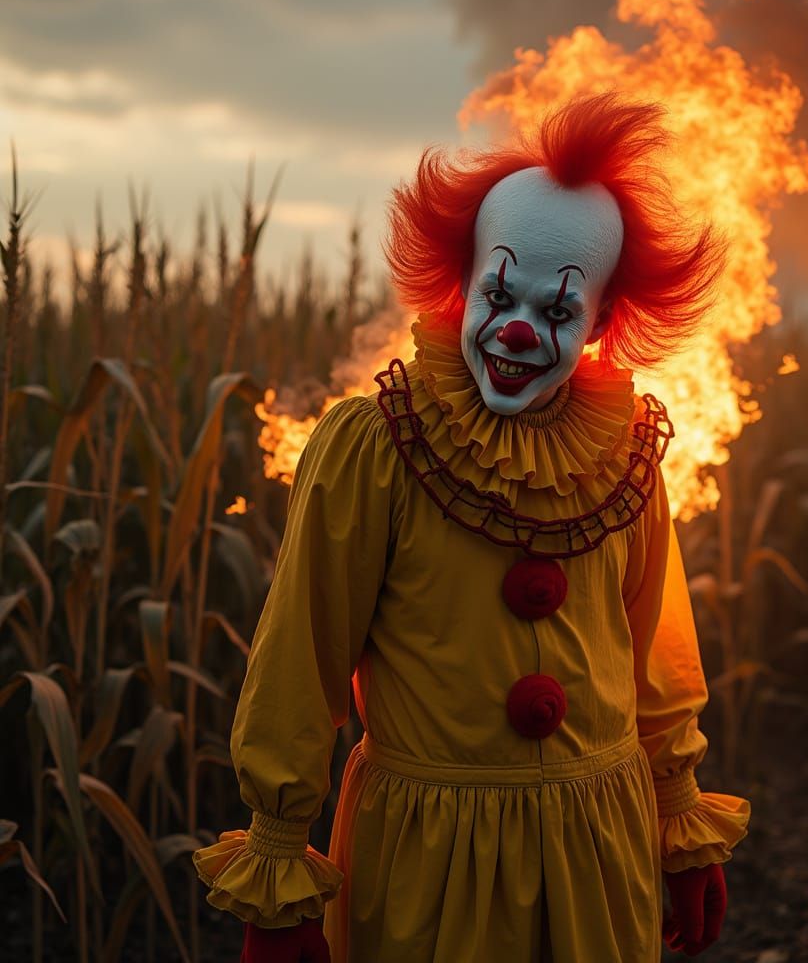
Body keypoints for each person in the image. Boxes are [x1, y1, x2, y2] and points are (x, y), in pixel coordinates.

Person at [194, 94, 750, 962]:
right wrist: (278, 873)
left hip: (596, 849)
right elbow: (299, 663)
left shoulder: (631, 450)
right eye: (501, 293)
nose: (520, 330)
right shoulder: (373, 444)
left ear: (603, 321)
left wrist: (676, 812)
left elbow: (655, 653)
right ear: (463, 284)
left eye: (561, 313)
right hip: (427, 860)